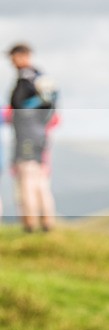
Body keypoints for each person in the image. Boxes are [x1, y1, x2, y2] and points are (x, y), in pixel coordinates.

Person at [7, 43, 58, 232]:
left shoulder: (25, 80)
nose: (11, 62)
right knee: (39, 177)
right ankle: (47, 222)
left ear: (23, 56)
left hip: (27, 136)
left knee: (27, 177)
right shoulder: (41, 78)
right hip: (40, 135)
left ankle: (30, 224)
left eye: (13, 57)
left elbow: (19, 107)